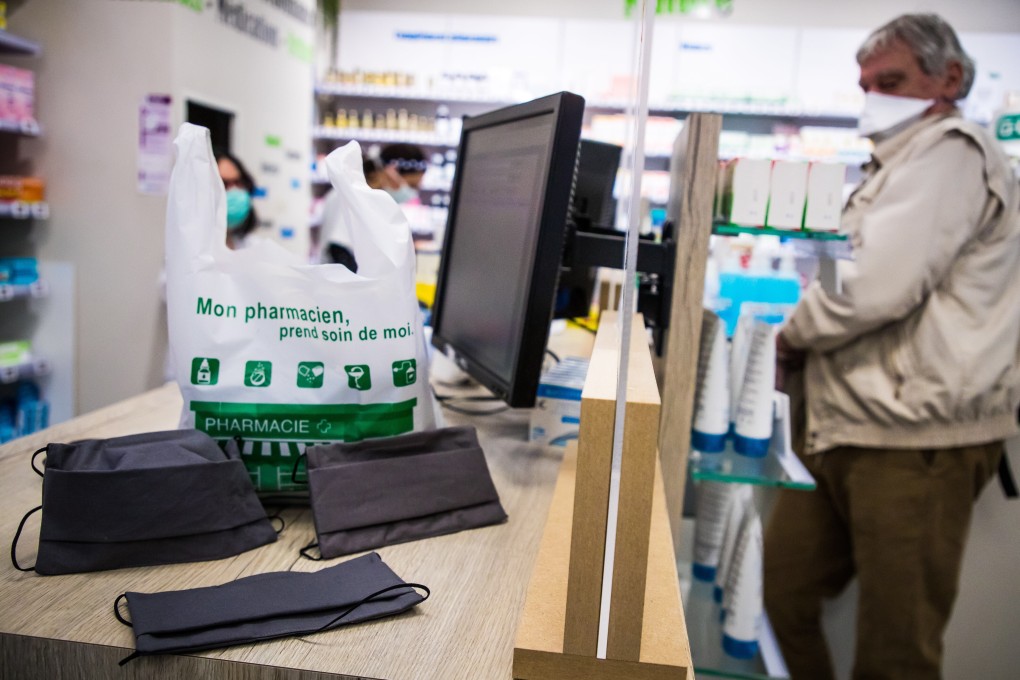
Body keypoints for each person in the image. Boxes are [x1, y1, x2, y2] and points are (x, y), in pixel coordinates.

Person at [764, 13, 1020, 680]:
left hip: (914, 441)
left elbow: (875, 288)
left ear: (950, 78)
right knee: (780, 598)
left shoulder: (951, 151)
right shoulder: (889, 167)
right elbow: (842, 272)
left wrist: (789, 337)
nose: (874, 96)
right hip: (841, 425)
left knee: (895, 652)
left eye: (893, 80)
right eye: (867, 84)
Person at [215, 150, 260, 249]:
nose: (234, 190)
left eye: (237, 182)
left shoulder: (252, 247)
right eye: (224, 184)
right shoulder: (192, 252)